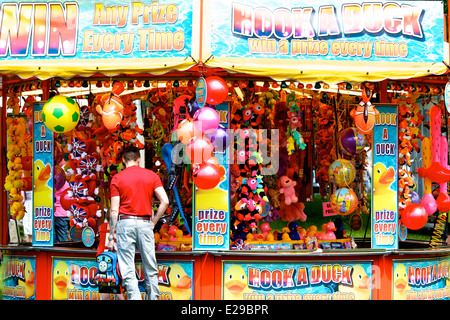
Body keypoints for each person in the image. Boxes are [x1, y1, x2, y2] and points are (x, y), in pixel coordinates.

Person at [107, 145, 169, 300]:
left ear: (123, 160)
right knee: (150, 267)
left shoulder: (117, 178)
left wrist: (110, 236)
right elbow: (165, 201)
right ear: (138, 159)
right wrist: (154, 221)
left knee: (127, 268)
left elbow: (114, 210)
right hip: (145, 223)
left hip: (125, 223)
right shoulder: (151, 176)